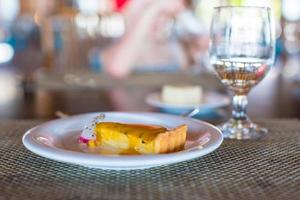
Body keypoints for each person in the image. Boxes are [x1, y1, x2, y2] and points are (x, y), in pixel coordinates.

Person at [102, 0, 209, 78]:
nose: (158, 18)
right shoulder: (111, 50)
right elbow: (117, 70)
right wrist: (154, 8)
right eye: (147, 8)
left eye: (164, 13)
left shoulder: (175, 49)